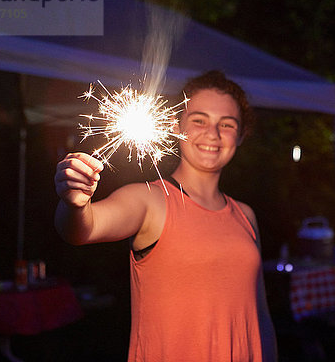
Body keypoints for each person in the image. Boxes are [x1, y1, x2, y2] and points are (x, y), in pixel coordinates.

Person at [54, 70, 277, 361]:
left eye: (227, 124)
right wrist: (74, 204)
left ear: (240, 135)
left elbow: (260, 312)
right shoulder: (149, 199)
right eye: (199, 120)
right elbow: (83, 229)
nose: (213, 133)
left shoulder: (245, 214)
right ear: (175, 125)